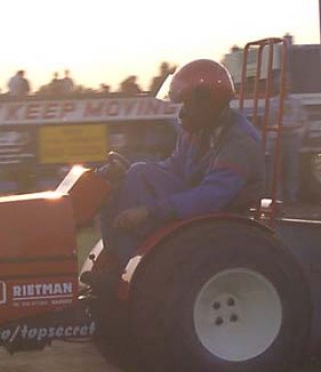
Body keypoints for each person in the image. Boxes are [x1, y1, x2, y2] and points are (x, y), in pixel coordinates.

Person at [82, 59, 265, 290]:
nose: (182, 112)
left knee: (139, 175)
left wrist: (148, 210)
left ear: (208, 102)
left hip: (222, 213)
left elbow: (211, 197)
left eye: (187, 104)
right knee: (123, 182)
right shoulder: (198, 131)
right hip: (198, 200)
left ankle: (126, 269)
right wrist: (126, 174)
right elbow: (174, 167)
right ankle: (115, 259)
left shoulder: (238, 144)